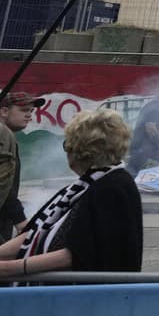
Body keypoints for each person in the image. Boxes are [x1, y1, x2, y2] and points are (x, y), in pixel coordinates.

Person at [0, 108, 142, 276]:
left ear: (81, 150)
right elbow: (35, 234)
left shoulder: (112, 187)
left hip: (88, 296)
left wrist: (9, 268)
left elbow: (81, 253)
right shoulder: (89, 184)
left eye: (67, 144)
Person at [0, 90, 43, 240]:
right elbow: (3, 184)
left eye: (31, 111)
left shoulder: (8, 136)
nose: (29, 115)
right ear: (4, 111)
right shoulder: (3, 136)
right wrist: (21, 221)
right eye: (24, 110)